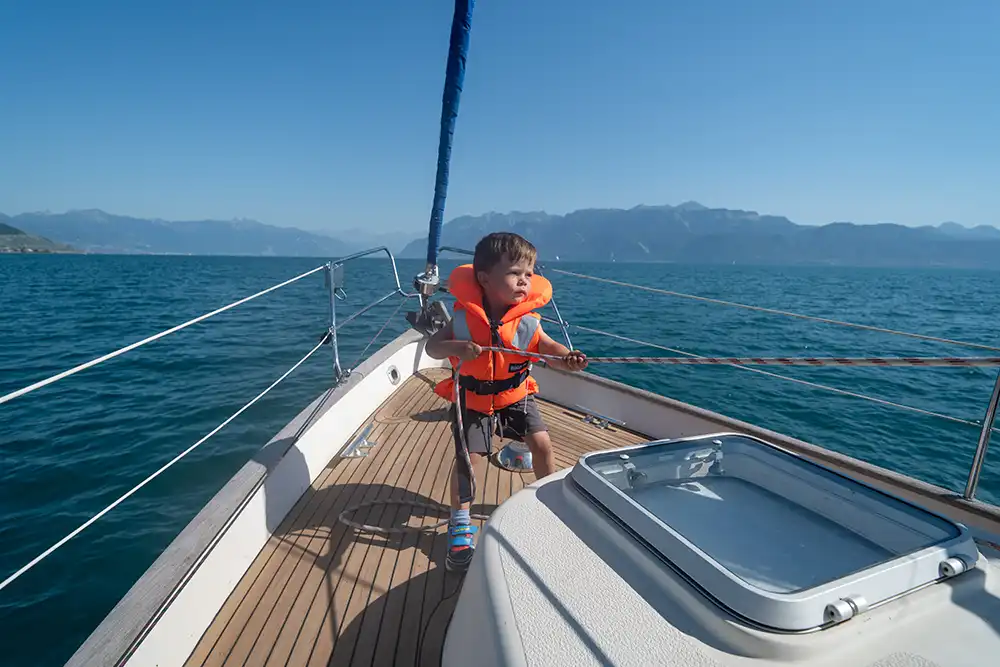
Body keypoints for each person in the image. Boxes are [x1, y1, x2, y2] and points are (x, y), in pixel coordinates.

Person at [425, 232, 588, 572]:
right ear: (484, 279)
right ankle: (460, 519)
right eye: (515, 273)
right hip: (474, 399)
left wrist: (567, 358)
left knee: (541, 444)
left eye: (529, 275)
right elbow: (433, 349)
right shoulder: (461, 320)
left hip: (516, 394)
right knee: (469, 461)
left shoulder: (527, 321)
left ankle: (549, 501)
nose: (525, 281)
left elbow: (548, 349)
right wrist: (457, 348)